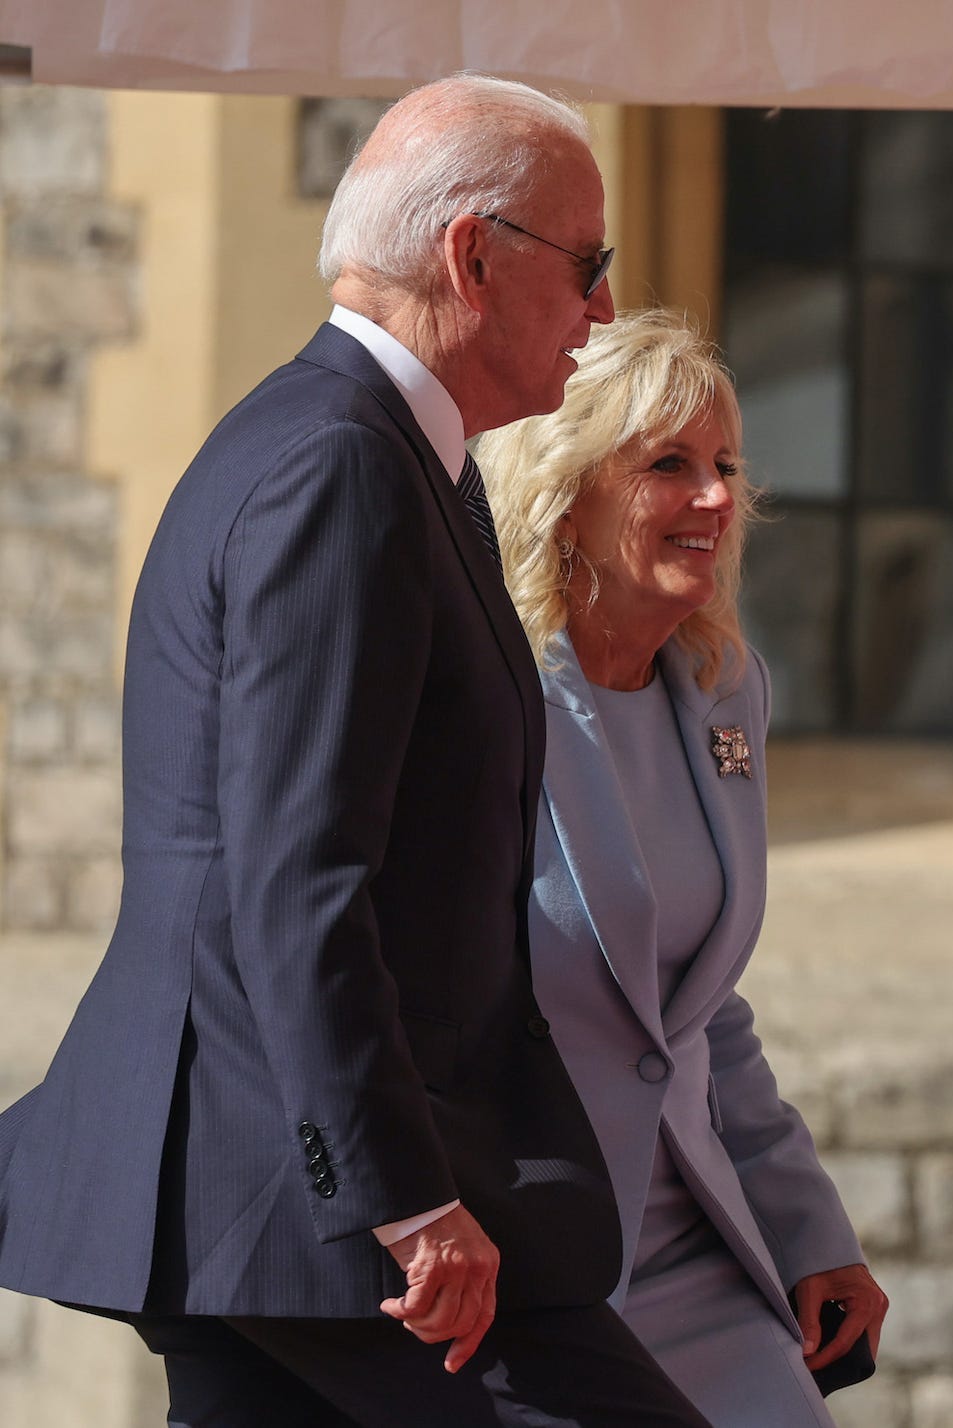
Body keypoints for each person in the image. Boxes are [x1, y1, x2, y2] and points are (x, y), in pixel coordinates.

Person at [0, 75, 714, 1428]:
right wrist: (401, 1194)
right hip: (312, 1205)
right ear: (474, 257)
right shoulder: (340, 466)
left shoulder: (388, 453)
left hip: (269, 1187)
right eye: (590, 263)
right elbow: (299, 875)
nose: (606, 309)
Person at [475, 308, 887, 1427]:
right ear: (566, 491)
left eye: (724, 466)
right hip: (529, 1261)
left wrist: (809, 1232)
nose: (717, 498)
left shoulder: (722, 693)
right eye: (668, 465)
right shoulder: (482, 700)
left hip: (696, 1252)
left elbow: (693, 1012)